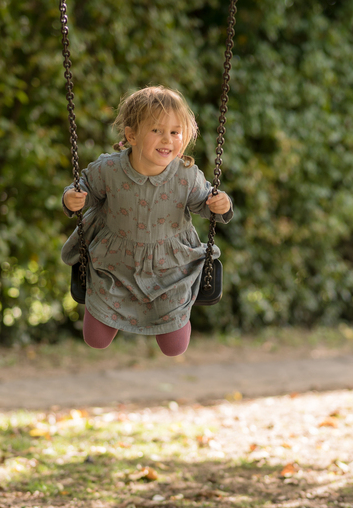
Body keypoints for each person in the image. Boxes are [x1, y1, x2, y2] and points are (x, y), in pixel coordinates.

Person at [60, 86, 233, 357]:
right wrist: (71, 198)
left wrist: (220, 204)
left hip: (169, 267)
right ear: (131, 135)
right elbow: (84, 191)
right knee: (96, 339)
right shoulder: (109, 170)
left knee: (174, 347)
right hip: (115, 264)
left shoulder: (186, 175)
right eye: (156, 130)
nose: (168, 139)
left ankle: (176, 315)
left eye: (175, 132)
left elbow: (205, 203)